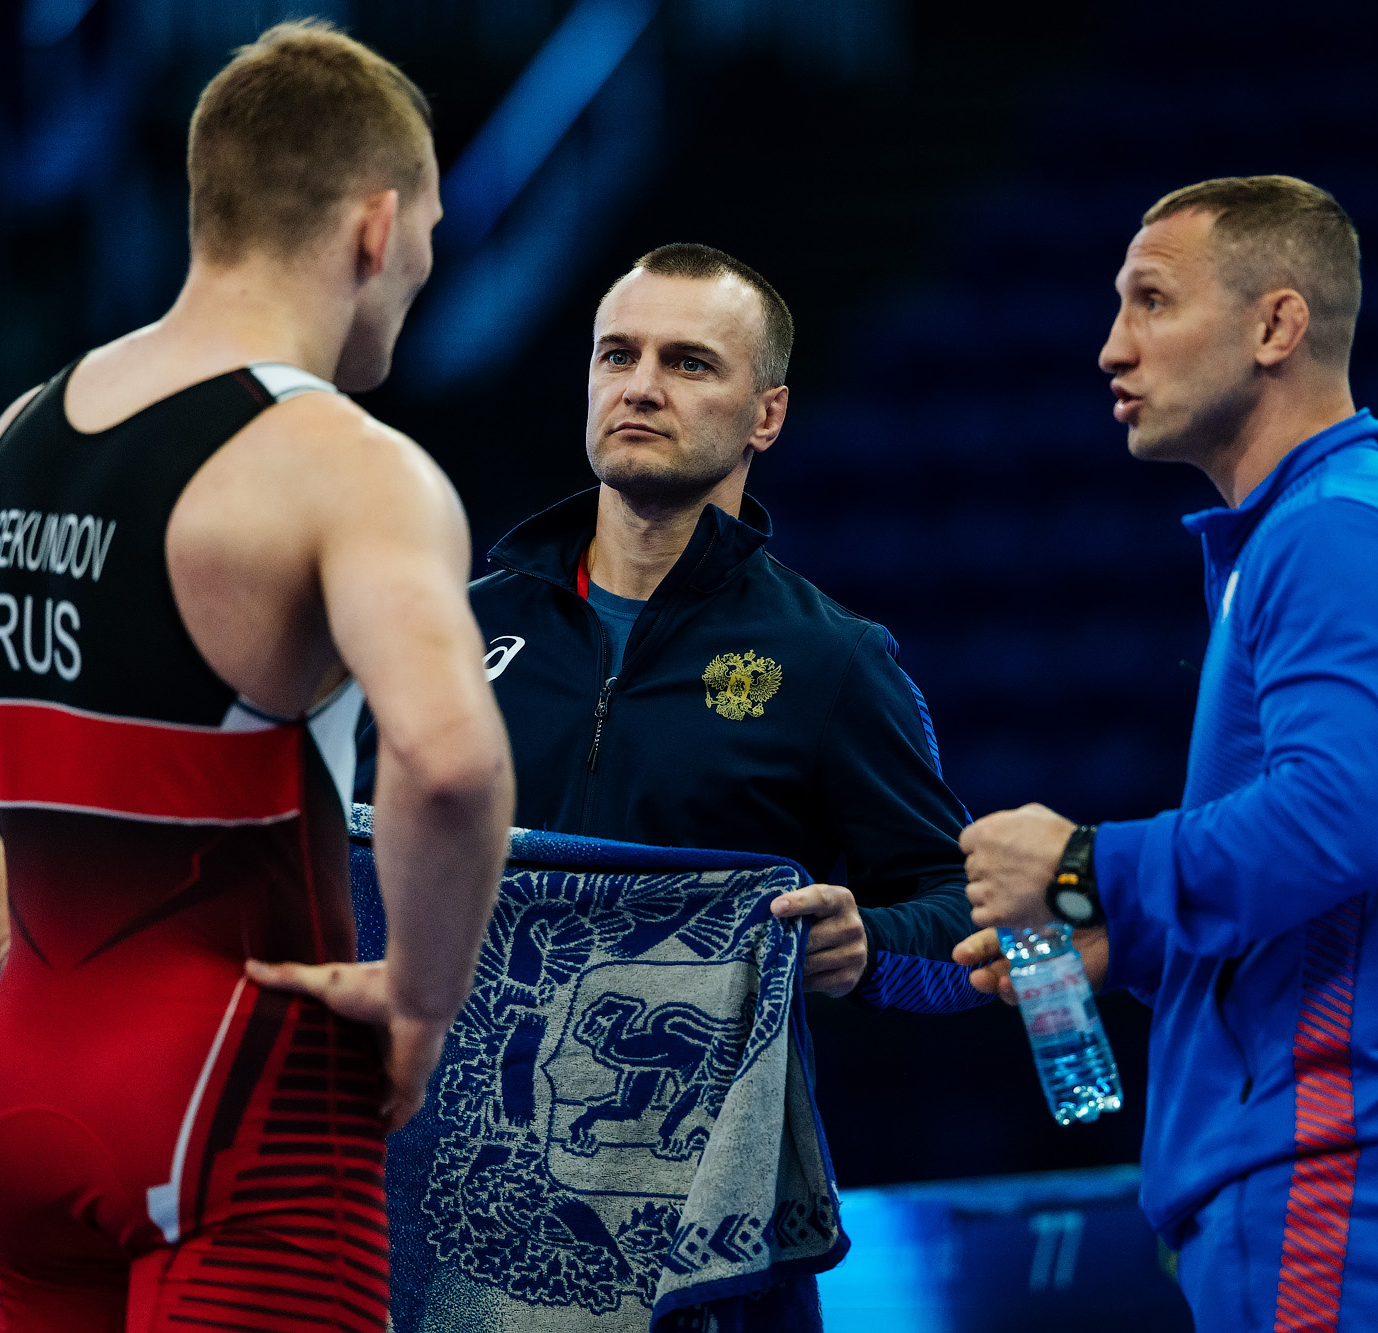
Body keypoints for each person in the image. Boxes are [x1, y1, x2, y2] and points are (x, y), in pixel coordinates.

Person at [0, 23, 513, 1333]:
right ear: (375, 226)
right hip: (245, 1105)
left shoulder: (31, 431)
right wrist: (422, 996)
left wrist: (16, 936)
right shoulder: (345, 465)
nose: (423, 262)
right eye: (427, 229)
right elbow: (452, 759)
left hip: (25, 1086)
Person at [954, 176, 1378, 1331]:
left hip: (1330, 1167)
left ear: (1274, 326)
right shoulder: (1346, 520)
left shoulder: (1332, 531)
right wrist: (1128, 938)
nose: (1112, 347)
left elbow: (1334, 824)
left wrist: (1079, 868)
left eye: (1151, 301)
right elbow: (1329, 881)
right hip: (1349, 1168)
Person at [359, 242, 987, 1013]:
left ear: (767, 415)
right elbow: (336, 854)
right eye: (618, 355)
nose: (641, 388)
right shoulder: (451, 629)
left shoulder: (830, 659)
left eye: (690, 363)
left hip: (693, 1085)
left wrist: (870, 943)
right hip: (446, 1087)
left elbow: (965, 916)